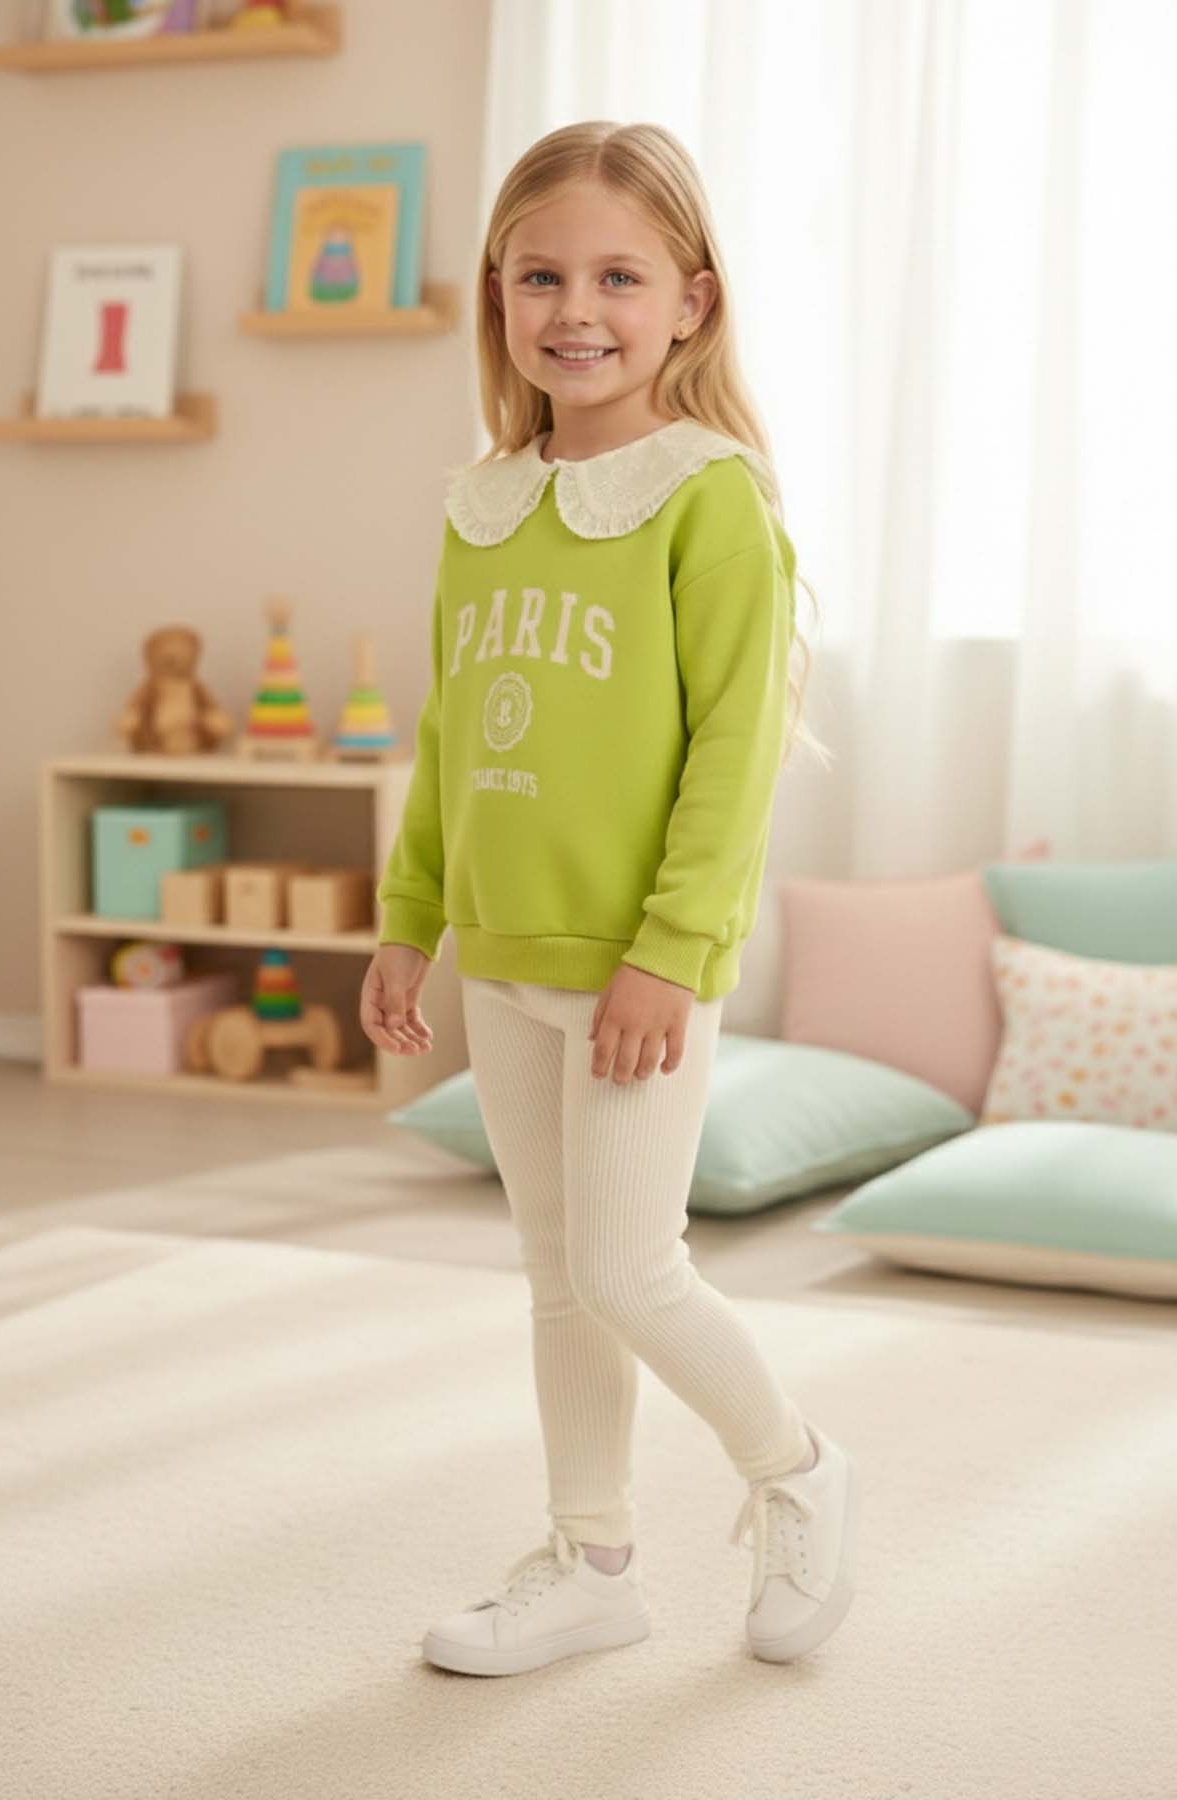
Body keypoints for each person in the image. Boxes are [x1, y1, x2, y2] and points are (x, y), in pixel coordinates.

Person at [359, 120, 858, 1677]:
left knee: (631, 1269)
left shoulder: (709, 498)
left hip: (636, 967)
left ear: (691, 301)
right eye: (540, 277)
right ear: (497, 297)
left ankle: (797, 1468)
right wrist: (410, 920)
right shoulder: (482, 502)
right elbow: (450, 734)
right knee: (558, 1272)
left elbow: (735, 753)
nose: (576, 309)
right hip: (503, 950)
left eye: (619, 278)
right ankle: (594, 1562)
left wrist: (671, 954)